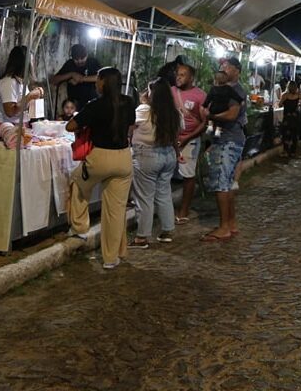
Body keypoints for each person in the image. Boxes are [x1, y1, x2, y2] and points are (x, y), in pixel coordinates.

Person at [66, 67, 136, 269]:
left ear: (104, 82)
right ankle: (111, 258)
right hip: (123, 157)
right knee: (115, 211)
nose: (95, 82)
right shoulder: (129, 102)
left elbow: (70, 126)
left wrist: (86, 122)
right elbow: (130, 126)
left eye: (97, 79)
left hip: (100, 157)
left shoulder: (95, 105)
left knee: (77, 182)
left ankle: (79, 227)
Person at [129, 78, 182, 248]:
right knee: (164, 193)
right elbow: (175, 137)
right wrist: (178, 153)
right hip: (168, 156)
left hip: (147, 156)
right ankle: (167, 230)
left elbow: (129, 125)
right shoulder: (175, 113)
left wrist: (143, 101)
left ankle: (142, 237)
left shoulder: (145, 111)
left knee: (144, 197)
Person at [201, 57, 247, 241]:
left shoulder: (235, 91)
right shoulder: (224, 90)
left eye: (227, 66)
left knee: (221, 183)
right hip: (225, 139)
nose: (223, 68)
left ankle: (224, 227)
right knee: (226, 184)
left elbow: (232, 114)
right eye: (222, 66)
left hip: (229, 140)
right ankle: (231, 223)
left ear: (237, 70)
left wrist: (210, 114)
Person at [173, 64, 207, 224]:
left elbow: (204, 123)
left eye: (183, 75)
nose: (179, 77)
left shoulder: (200, 96)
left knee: (188, 175)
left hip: (190, 141)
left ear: (191, 78)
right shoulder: (171, 92)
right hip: (170, 140)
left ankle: (184, 210)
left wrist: (187, 138)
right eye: (178, 74)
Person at [0, 45, 44, 130]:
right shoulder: (9, 82)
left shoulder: (21, 82)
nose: (33, 65)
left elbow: (23, 105)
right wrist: (29, 96)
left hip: (20, 125)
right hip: (7, 128)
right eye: (31, 61)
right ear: (23, 63)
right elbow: (10, 112)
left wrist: (35, 96)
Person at [52, 43, 101, 110]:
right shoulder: (69, 64)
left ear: (86, 55)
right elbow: (54, 80)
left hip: (92, 101)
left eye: (82, 58)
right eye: (76, 59)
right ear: (72, 58)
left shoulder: (92, 62)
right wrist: (71, 74)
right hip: (74, 105)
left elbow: (100, 77)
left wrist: (82, 79)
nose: (79, 61)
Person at [202, 71, 244, 138]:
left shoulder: (213, 89)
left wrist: (204, 106)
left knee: (210, 118)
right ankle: (218, 132)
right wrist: (241, 101)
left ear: (215, 80)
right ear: (226, 80)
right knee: (220, 121)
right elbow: (235, 96)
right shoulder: (229, 89)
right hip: (223, 108)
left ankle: (210, 127)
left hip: (214, 108)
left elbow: (208, 98)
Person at [279, 81, 301, 157]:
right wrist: (299, 104)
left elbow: (280, 104)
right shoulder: (298, 95)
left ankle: (285, 151)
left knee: (286, 134)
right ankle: (293, 152)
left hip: (287, 117)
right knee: (294, 134)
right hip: (295, 117)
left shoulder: (285, 95)